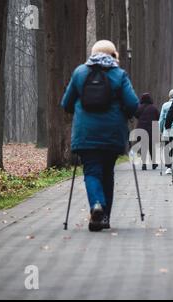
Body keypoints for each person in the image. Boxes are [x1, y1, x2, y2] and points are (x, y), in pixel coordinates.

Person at [61, 40, 139, 232]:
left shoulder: (80, 72)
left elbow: (66, 103)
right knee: (107, 174)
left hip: (86, 133)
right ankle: (104, 218)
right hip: (112, 134)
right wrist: (127, 113)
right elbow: (132, 104)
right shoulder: (119, 75)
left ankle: (96, 204)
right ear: (113, 55)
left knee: (92, 172)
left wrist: (79, 111)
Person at [135, 93, 160, 171]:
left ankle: (144, 164)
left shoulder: (139, 108)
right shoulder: (154, 108)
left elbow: (136, 115)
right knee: (152, 147)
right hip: (152, 129)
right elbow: (158, 117)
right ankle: (153, 163)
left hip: (141, 129)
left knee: (143, 147)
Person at [159, 89, 173, 176]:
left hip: (167, 131)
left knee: (167, 148)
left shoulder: (165, 105)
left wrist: (161, 130)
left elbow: (161, 119)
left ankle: (168, 168)